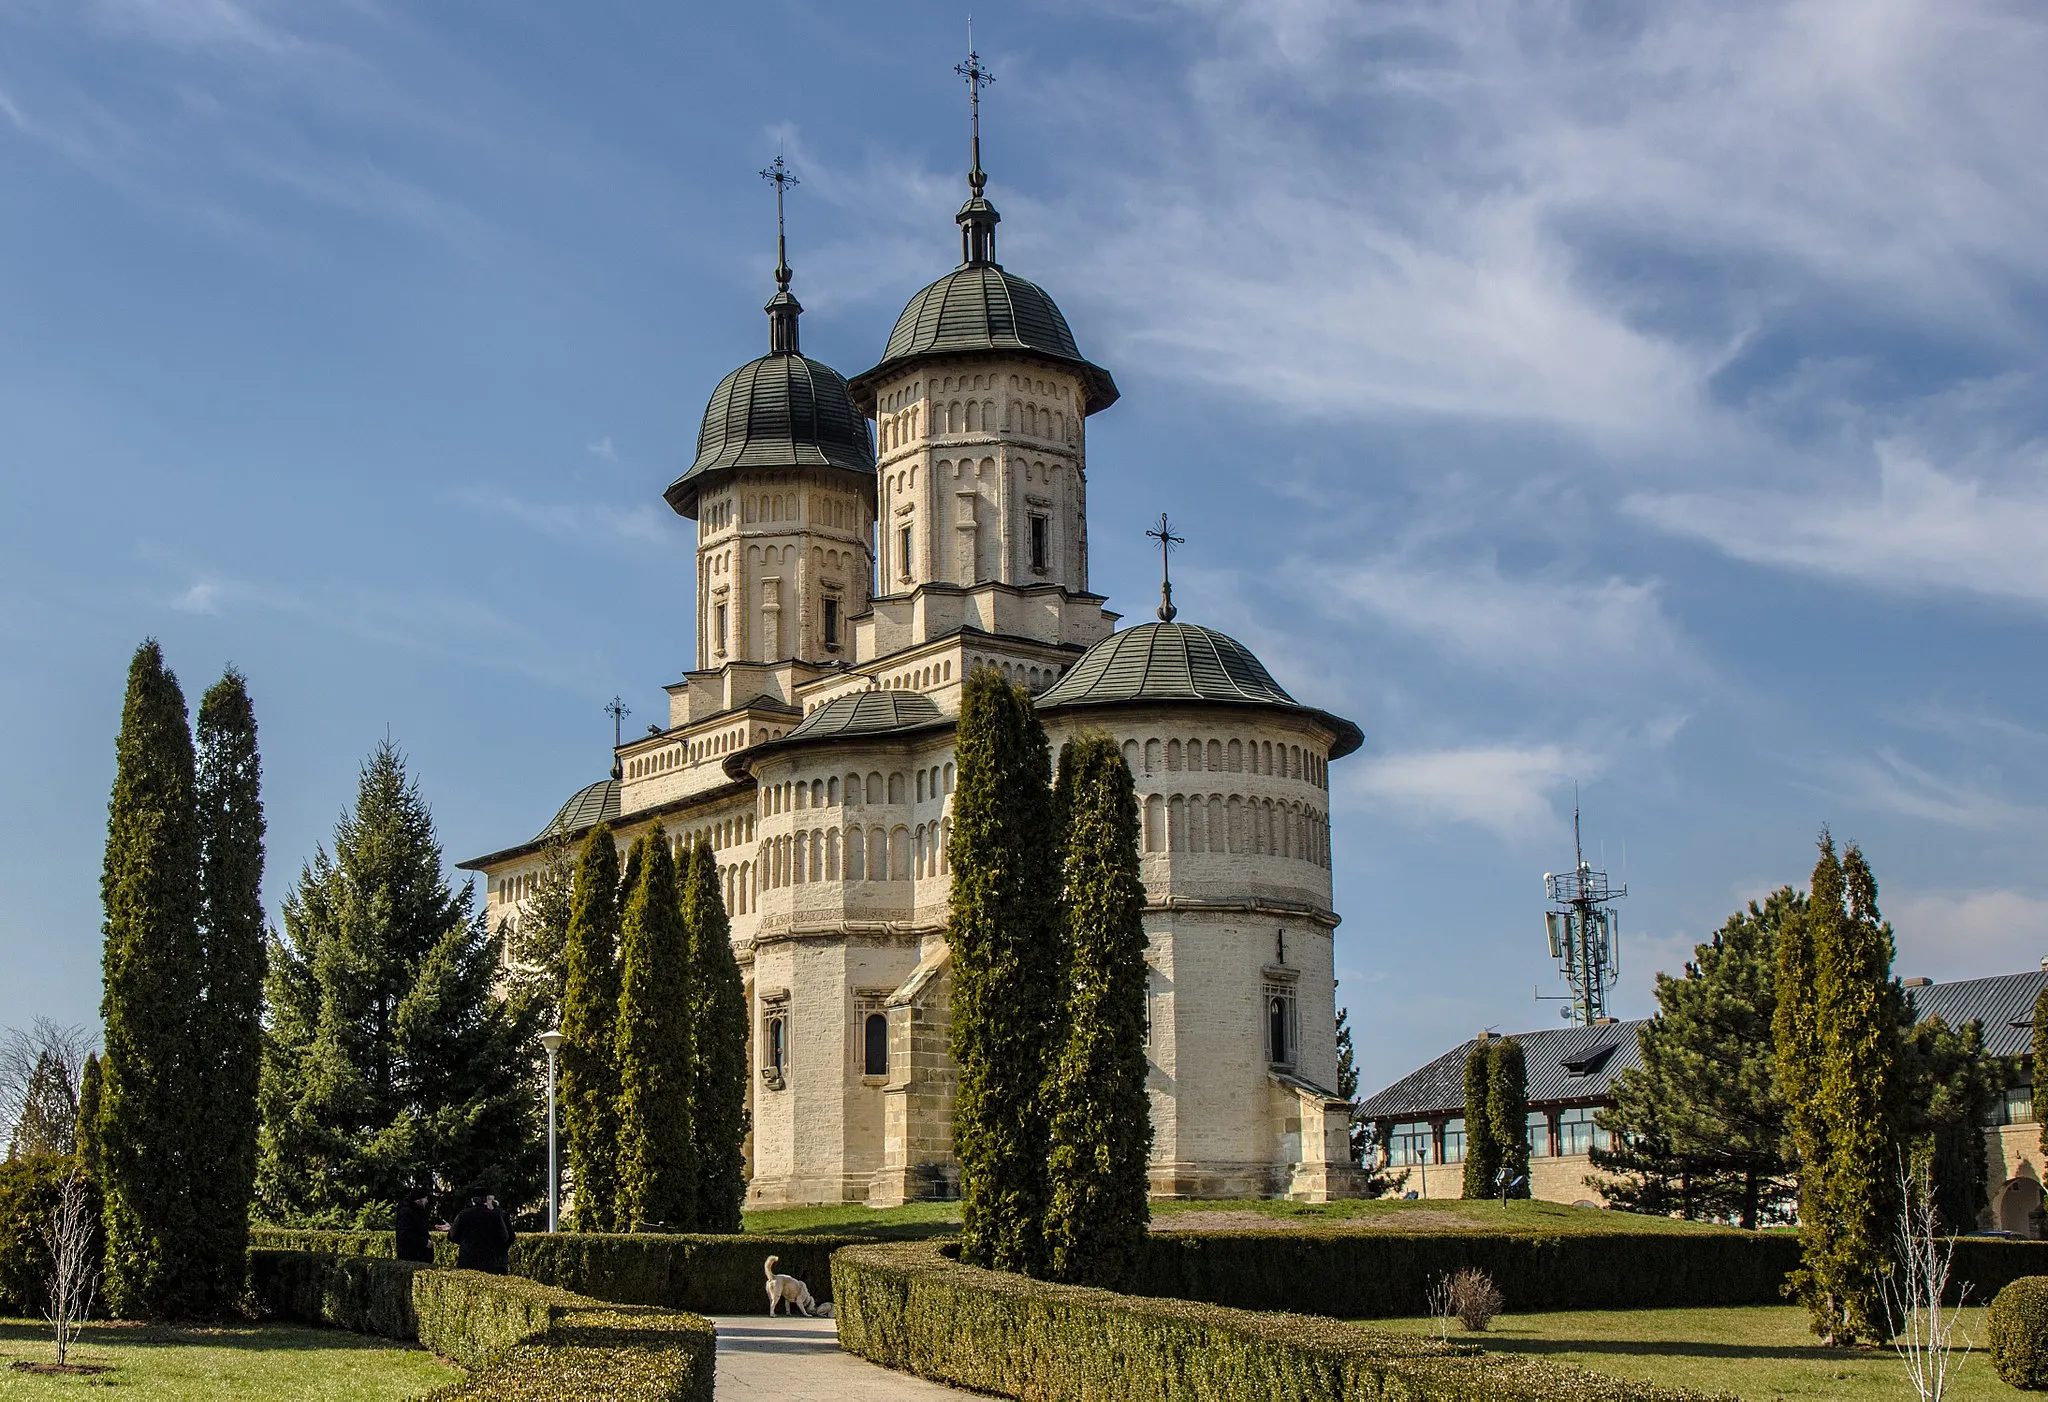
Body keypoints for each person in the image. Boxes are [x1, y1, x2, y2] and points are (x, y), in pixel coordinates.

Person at [447, 1185, 514, 1273]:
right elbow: (505, 1236)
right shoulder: (495, 1216)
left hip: (467, 1260)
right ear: (486, 1200)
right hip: (490, 1262)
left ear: (472, 1200)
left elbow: (452, 1236)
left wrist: (465, 1242)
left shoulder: (463, 1215)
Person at [394, 1184, 435, 1264]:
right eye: (425, 1198)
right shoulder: (406, 1213)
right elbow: (405, 1234)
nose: (427, 1201)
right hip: (412, 1257)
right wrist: (424, 1242)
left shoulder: (418, 1212)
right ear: (419, 1199)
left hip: (420, 1257)